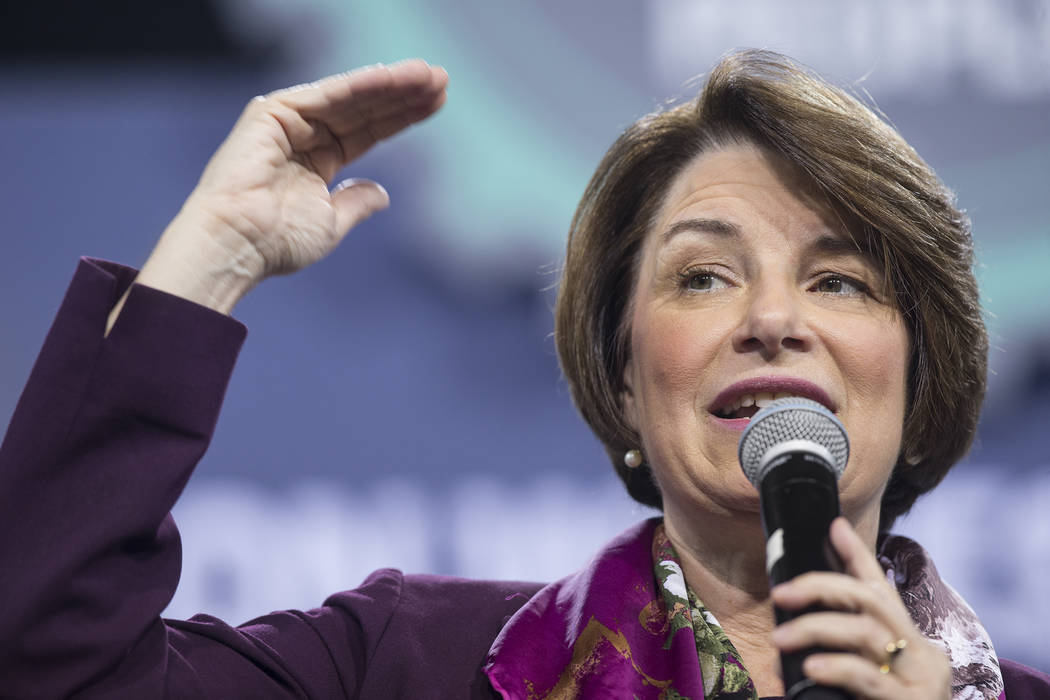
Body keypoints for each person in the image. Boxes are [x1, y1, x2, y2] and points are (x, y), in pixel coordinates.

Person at [0, 51, 1046, 700]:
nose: (773, 319)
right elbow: (52, 668)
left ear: (922, 387)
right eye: (705, 274)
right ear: (626, 381)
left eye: (841, 282)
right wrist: (212, 256)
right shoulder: (409, 665)